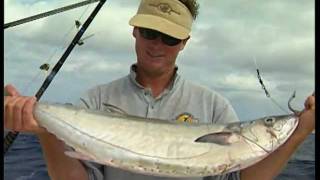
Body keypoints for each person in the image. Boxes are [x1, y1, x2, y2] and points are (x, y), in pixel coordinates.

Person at [4, 0, 315, 180]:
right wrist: (45, 131)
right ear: (135, 31)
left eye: (170, 38)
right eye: (150, 32)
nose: (157, 45)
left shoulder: (214, 107)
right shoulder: (95, 100)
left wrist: (300, 132)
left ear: (184, 43)